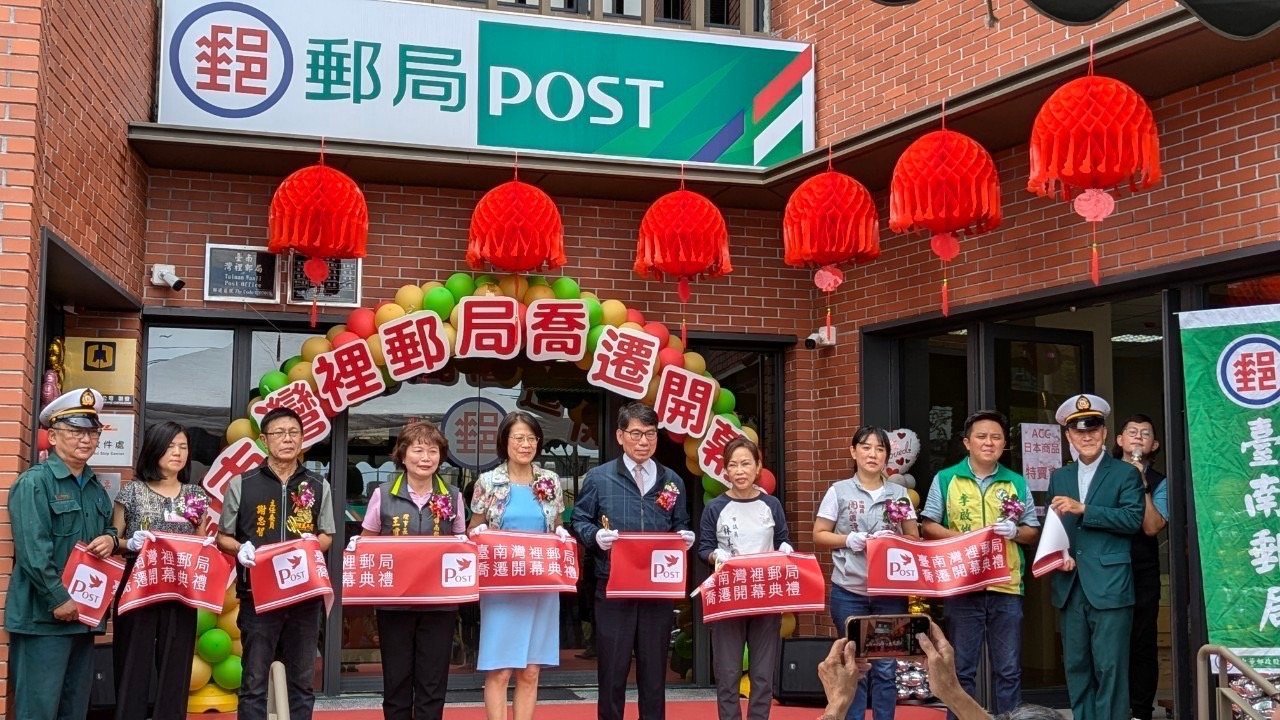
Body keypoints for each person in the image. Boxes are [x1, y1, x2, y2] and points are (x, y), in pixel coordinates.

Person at [571, 402, 694, 720]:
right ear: (620, 435)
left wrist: (684, 536)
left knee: (654, 673)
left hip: (657, 591)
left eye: (650, 434)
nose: (643, 441)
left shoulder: (672, 481)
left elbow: (679, 522)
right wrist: (595, 536)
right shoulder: (599, 478)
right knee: (612, 670)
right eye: (636, 433)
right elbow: (580, 521)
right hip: (614, 587)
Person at [217, 407, 336, 720]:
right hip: (258, 596)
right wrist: (240, 548)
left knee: (302, 681)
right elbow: (223, 536)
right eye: (279, 433)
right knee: (253, 680)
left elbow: (327, 534)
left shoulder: (317, 484)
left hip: (304, 596)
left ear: (302, 439)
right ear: (264, 440)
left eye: (294, 432)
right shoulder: (243, 483)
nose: (287, 439)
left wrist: (314, 544)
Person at [920, 410, 1041, 717]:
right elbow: (928, 526)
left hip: (1006, 586)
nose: (989, 443)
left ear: (1004, 444)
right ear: (967, 442)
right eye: (982, 437)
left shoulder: (1016, 482)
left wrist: (1015, 531)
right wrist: (965, 539)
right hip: (963, 585)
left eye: (996, 437)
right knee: (961, 669)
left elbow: (1032, 531)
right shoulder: (946, 478)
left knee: (1008, 670)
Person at [6, 388, 117, 720]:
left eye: (92, 433)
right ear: (52, 437)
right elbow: (33, 551)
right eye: (75, 431)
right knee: (38, 711)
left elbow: (108, 529)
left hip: (82, 619)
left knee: (74, 709)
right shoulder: (35, 483)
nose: (86, 439)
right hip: (44, 619)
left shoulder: (95, 488)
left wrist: (110, 539)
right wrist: (58, 598)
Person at [354, 419, 466, 720]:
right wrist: (358, 546)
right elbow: (368, 541)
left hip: (439, 604)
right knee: (397, 681)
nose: (425, 458)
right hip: (394, 603)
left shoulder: (453, 495)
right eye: (418, 450)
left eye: (432, 451)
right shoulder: (383, 494)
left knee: (432, 683)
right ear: (402, 455)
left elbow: (461, 543)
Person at [1045, 394, 1144, 720]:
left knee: (1110, 667)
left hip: (1110, 584)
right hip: (1069, 583)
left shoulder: (1125, 473)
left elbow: (1132, 520)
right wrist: (1059, 554)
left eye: (1093, 430)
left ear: (1104, 433)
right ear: (1068, 436)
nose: (1086, 436)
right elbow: (1053, 527)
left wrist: (1085, 509)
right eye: (1079, 431)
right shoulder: (1060, 476)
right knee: (1076, 666)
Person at [468, 412, 571, 720]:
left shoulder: (549, 480)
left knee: (531, 669)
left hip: (541, 584)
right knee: (500, 669)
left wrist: (561, 532)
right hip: (502, 586)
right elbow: (473, 529)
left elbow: (556, 523)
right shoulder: (488, 482)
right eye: (518, 438)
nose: (525, 445)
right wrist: (478, 533)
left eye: (531, 438)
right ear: (505, 441)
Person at [812, 425, 920, 720]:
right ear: (853, 451)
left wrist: (893, 540)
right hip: (850, 591)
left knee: (886, 667)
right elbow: (819, 534)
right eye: (866, 447)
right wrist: (849, 539)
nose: (873, 454)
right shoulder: (839, 491)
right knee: (854, 666)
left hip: (889, 593)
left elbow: (913, 537)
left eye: (880, 449)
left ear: (887, 456)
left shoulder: (899, 494)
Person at [112, 421, 211, 720]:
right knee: (133, 659)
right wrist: (131, 542)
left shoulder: (194, 494)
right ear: (154, 449)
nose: (177, 453)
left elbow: (200, 540)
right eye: (170, 446)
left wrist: (204, 546)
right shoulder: (132, 491)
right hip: (139, 582)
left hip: (179, 586)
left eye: (183, 447)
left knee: (176, 662)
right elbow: (113, 539)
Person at [697, 436, 793, 720]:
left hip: (765, 595)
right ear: (725, 469)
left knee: (763, 675)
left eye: (746, 464)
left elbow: (783, 539)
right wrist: (715, 556)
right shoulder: (715, 507)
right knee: (727, 673)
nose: (739, 471)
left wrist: (785, 548)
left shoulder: (771, 505)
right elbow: (704, 548)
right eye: (733, 465)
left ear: (758, 466)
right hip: (729, 596)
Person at [1112, 414, 1168, 720]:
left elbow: (1152, 526)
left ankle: (1141, 710)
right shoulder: (1103, 474)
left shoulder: (1161, 482)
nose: (1137, 437)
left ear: (1154, 445)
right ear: (1119, 440)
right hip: (1107, 568)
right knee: (1109, 639)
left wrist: (1142, 484)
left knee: (1142, 641)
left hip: (1142, 570)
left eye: (1145, 433)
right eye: (1131, 432)